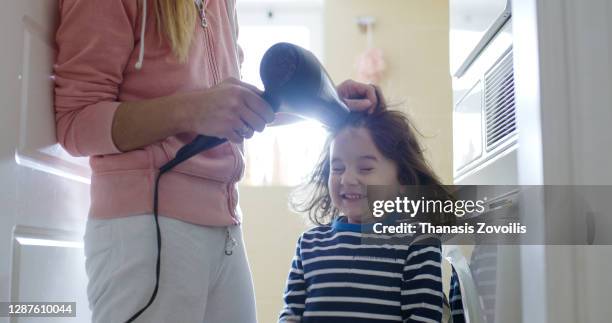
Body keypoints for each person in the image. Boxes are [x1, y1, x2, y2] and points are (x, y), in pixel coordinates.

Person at [53, 0, 381, 322]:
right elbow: (75, 121)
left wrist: (327, 103)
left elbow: (226, 112)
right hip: (146, 230)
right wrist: (193, 110)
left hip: (224, 231)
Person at [280, 110, 447, 322]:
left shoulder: (418, 243)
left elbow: (424, 317)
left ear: (403, 180)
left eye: (365, 168)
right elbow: (291, 314)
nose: (347, 179)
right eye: (337, 168)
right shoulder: (309, 244)